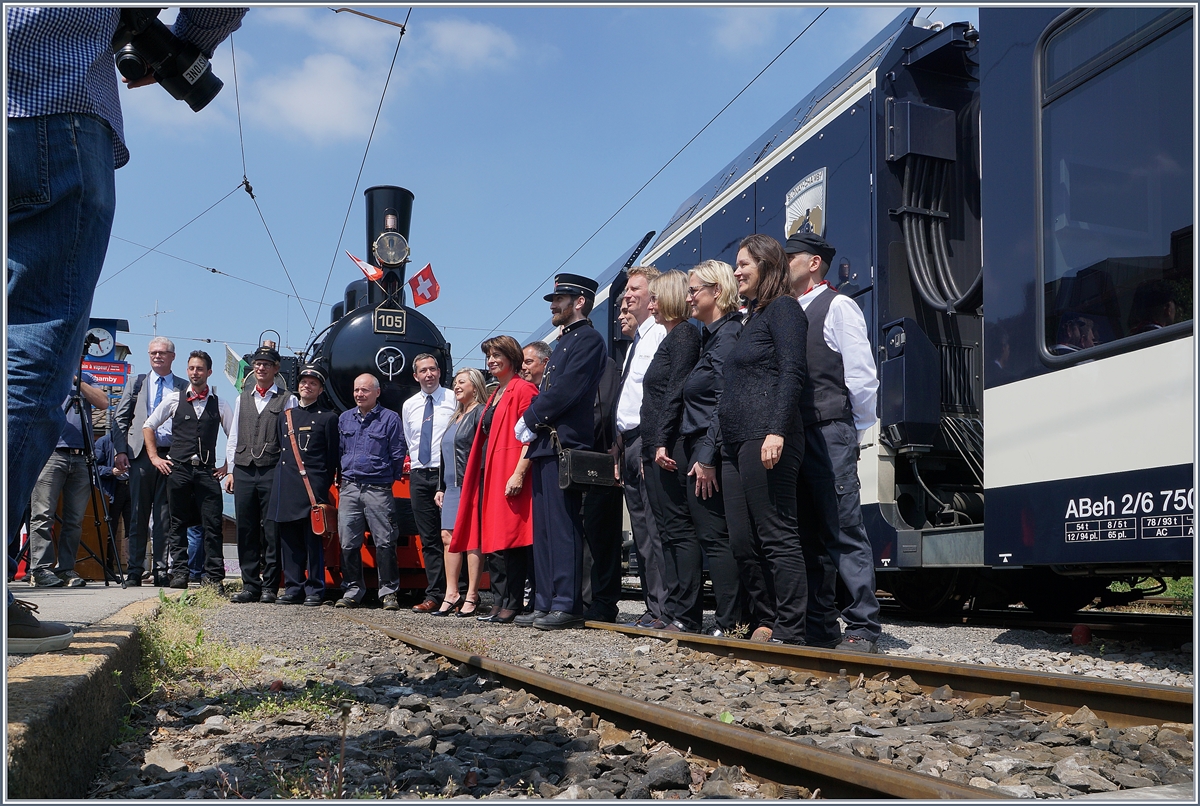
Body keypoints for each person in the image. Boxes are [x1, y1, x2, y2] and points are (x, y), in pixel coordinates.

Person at [6, 5, 246, 651]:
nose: (176, 361)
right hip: (51, 97)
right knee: (33, 342)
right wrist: (190, 43)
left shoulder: (211, 397)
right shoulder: (149, 384)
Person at [786, 231, 882, 653]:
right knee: (807, 532)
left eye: (791, 256)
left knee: (842, 527)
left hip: (830, 430)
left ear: (814, 263)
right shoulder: (787, 310)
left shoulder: (838, 306)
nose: (782, 262)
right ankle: (821, 624)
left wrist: (854, 430)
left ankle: (862, 625)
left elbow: (861, 376)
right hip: (798, 435)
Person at [718, 233, 810, 645]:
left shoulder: (784, 310)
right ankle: (765, 618)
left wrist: (777, 430)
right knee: (742, 539)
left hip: (768, 436)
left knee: (776, 534)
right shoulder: (750, 319)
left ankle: (791, 627)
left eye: (744, 265)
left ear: (768, 268)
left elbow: (792, 372)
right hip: (735, 443)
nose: (736, 271)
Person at [515, 275, 608, 630]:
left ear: (580, 301)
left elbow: (567, 391)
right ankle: (546, 601)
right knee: (545, 530)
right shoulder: (568, 340)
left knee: (563, 526)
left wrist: (531, 416)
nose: (553, 306)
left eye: (559, 299)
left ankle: (567, 603)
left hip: (562, 442)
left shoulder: (588, 340)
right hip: (546, 444)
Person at [677, 260, 746, 637]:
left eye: (694, 290)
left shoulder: (728, 335)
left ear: (716, 292)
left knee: (715, 536)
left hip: (711, 448)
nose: (688, 297)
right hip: (701, 444)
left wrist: (706, 455)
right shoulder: (711, 337)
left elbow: (724, 399)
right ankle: (727, 618)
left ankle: (729, 622)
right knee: (709, 535)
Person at [454, 340, 538, 623]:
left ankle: (512, 602)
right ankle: (500, 600)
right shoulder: (496, 394)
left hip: (510, 471)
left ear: (511, 357)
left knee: (511, 541)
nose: (491, 360)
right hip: (491, 472)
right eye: (489, 356)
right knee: (494, 541)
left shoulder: (523, 389)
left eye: (497, 355)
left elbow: (532, 433)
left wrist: (519, 472)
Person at [640, 271, 701, 631]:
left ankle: (685, 613)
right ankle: (673, 609)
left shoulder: (684, 336)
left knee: (678, 530)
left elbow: (675, 392)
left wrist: (661, 440)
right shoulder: (669, 337)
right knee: (665, 530)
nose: (652, 305)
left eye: (657, 298)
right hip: (655, 446)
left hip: (670, 445)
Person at [142, 350, 234, 590]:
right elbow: (148, 425)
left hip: (206, 471)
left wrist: (228, 466)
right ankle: (180, 573)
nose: (195, 372)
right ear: (187, 371)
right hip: (178, 468)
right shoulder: (174, 399)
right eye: (192, 368)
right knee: (177, 523)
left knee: (212, 524)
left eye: (200, 368)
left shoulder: (220, 403)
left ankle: (214, 577)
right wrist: (154, 457)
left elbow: (234, 436)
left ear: (209, 373)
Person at [614, 266, 669, 628]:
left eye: (636, 289)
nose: (627, 295)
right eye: (626, 290)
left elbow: (659, 398)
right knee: (641, 532)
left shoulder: (660, 336)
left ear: (654, 297)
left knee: (654, 527)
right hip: (630, 444)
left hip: (647, 442)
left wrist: (651, 446)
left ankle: (664, 609)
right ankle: (653, 607)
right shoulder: (638, 341)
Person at [112, 337, 188, 586]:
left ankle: (161, 570)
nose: (157, 356)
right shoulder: (137, 383)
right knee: (137, 514)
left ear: (172, 357)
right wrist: (120, 451)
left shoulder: (183, 387)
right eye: (153, 352)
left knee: (165, 516)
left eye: (162, 353)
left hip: (171, 455)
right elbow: (120, 419)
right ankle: (134, 569)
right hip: (141, 455)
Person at [224, 344, 296, 604]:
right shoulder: (242, 397)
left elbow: (291, 439)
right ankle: (250, 584)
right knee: (246, 528)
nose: (260, 367)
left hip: (273, 468)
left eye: (266, 364)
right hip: (243, 468)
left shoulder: (288, 398)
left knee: (271, 530)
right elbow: (233, 436)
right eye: (257, 363)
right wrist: (231, 470)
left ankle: (270, 586)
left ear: (276, 369)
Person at [26, 373, 110, 587]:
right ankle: (41, 569)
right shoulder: (51, 371)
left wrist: (78, 381)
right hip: (51, 453)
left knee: (74, 520)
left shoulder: (87, 378)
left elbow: (102, 402)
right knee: (43, 514)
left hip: (81, 456)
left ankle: (66, 569)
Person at [268, 364, 339, 607]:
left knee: (313, 540)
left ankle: (315, 588)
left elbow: (330, 459)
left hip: (312, 487)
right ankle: (293, 587)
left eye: (313, 383)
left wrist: (321, 486)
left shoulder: (328, 418)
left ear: (320, 389)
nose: (306, 386)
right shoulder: (285, 417)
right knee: (289, 541)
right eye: (303, 382)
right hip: (286, 484)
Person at [336, 374, 407, 609]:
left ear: (377, 392)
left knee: (385, 541)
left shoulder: (390, 419)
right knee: (347, 542)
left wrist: (386, 478)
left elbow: (397, 453)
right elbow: (340, 451)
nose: (359, 394)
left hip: (378, 488)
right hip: (350, 487)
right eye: (356, 390)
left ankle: (388, 592)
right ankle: (353, 590)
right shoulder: (345, 419)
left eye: (364, 390)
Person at [401, 354, 457, 613]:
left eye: (433, 369)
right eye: (423, 370)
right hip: (420, 475)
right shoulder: (409, 405)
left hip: (447, 474)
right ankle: (435, 594)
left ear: (439, 371)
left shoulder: (452, 398)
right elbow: (410, 439)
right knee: (429, 539)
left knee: (454, 536)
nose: (429, 374)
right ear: (416, 376)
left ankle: (461, 592)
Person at [432, 368, 486, 616]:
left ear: (475, 386)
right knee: (447, 537)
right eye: (454, 383)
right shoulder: (456, 416)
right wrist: (441, 486)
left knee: (472, 540)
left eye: (461, 382)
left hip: (470, 484)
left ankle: (472, 595)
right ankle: (452, 592)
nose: (456, 386)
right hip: (452, 486)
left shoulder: (479, 414)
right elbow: (444, 456)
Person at [94, 430, 132, 571]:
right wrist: (111, 471)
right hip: (111, 490)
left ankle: (133, 568)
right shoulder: (103, 441)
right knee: (109, 529)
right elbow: (94, 467)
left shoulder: (135, 440)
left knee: (133, 530)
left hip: (132, 488)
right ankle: (107, 567)